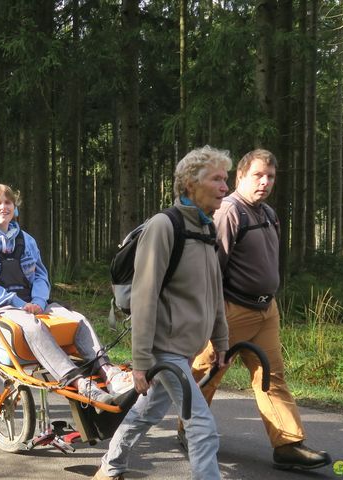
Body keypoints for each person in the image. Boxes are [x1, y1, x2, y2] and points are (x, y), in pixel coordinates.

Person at [92, 146, 231, 480]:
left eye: (226, 179)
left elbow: (214, 292)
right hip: (163, 349)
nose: (225, 187)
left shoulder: (206, 229)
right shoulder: (164, 226)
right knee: (202, 425)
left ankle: (109, 468)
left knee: (146, 413)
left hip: (185, 347)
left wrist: (221, 340)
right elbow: (145, 296)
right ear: (189, 185)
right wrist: (140, 362)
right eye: (217, 179)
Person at [188, 149, 331, 471]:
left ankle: (288, 444)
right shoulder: (229, 212)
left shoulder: (267, 212)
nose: (264, 182)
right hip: (232, 310)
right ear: (240, 177)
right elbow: (212, 270)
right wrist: (214, 317)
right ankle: (188, 427)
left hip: (266, 311)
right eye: (257, 175)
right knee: (207, 373)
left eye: (270, 177)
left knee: (271, 376)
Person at [0, 184, 133, 405]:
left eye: (8, 202)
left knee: (78, 320)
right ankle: (80, 383)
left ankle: (109, 372)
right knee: (33, 327)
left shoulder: (26, 239)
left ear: (15, 207)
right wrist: (17, 302)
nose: (3, 207)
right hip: (0, 304)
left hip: (33, 301)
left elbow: (41, 276)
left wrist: (38, 301)